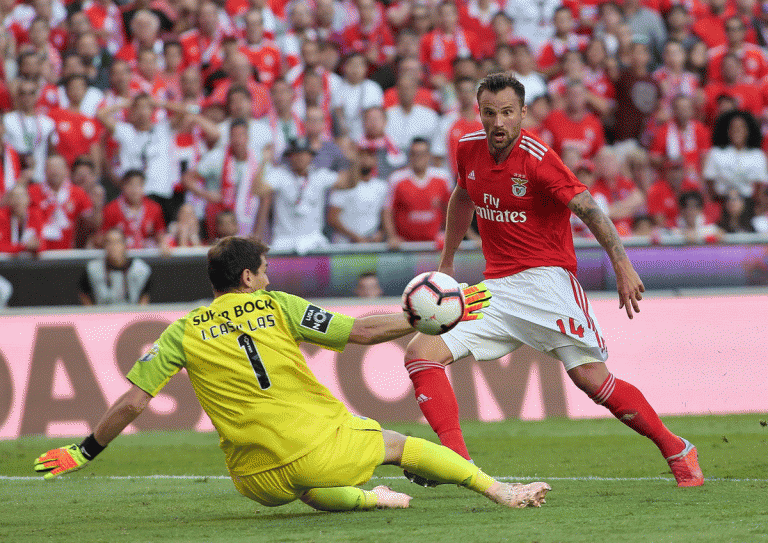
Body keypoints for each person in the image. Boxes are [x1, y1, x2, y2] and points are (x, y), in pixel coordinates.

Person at [35, 236, 551, 513]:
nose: (268, 276)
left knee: (306, 485)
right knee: (398, 444)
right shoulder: (276, 305)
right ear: (246, 278)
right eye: (262, 270)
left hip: (255, 481)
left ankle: (371, 499)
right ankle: (499, 490)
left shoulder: (182, 330)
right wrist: (430, 317)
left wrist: (85, 451)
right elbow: (363, 333)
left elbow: (132, 402)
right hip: (316, 450)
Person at [401, 72, 703, 488]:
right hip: (498, 289)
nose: (499, 122)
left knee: (591, 380)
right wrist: (448, 261)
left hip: (547, 283)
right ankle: (456, 459)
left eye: (508, 113)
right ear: (480, 113)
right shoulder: (467, 150)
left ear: (523, 113)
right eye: (490, 113)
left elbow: (590, 209)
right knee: (421, 354)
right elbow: (463, 196)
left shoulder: (539, 159)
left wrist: (622, 264)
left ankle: (677, 448)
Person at [78, 227, 152, 305]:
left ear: (125, 244)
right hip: (103, 315)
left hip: (132, 314)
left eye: (117, 242)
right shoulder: (93, 269)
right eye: (109, 242)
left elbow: (145, 300)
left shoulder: (141, 269)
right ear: (104, 245)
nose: (113, 246)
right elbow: (83, 293)